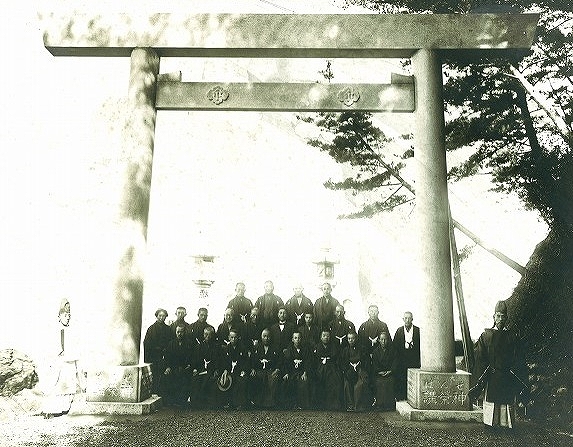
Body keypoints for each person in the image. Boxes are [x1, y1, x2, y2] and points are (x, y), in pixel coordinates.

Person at [471, 300, 526, 430]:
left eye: (503, 316)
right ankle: (491, 423)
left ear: (506, 318)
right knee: (492, 399)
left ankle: (505, 424)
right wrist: (483, 374)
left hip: (507, 375)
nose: (500, 319)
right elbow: (480, 357)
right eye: (498, 316)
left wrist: (513, 371)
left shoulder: (513, 336)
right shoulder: (486, 336)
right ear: (494, 317)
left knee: (506, 401)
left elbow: (518, 357)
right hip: (492, 375)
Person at [41, 299, 84, 418]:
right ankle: (51, 410)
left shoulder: (72, 331)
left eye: (69, 315)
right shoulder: (54, 330)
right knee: (56, 387)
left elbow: (76, 348)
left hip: (69, 362)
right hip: (58, 363)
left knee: (68, 387)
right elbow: (50, 348)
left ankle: (64, 409)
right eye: (65, 315)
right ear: (59, 316)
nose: (67, 317)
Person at [143, 308, 172, 395]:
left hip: (164, 356)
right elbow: (147, 343)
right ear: (156, 316)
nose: (161, 318)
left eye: (163, 316)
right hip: (153, 356)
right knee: (154, 376)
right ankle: (153, 394)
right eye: (160, 316)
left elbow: (170, 343)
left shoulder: (168, 329)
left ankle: (163, 397)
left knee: (163, 376)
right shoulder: (151, 329)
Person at [249, 329, 281, 408]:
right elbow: (252, 360)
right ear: (261, 337)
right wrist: (253, 369)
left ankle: (271, 403)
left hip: (271, 370)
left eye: (268, 336)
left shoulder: (275, 347)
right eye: (264, 336)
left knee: (274, 379)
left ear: (271, 337)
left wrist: (277, 369)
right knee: (257, 377)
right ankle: (257, 402)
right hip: (259, 370)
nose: (266, 338)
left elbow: (280, 360)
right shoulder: (257, 347)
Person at [393, 311, 421, 401]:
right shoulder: (399, 330)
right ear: (403, 319)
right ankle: (402, 397)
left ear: (412, 319)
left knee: (413, 378)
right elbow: (395, 345)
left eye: (409, 318)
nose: (407, 320)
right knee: (401, 377)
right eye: (405, 318)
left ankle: (413, 397)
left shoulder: (417, 330)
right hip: (402, 358)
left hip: (413, 358)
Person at [191, 326, 221, 409]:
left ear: (213, 336)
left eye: (210, 335)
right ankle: (197, 403)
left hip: (212, 370)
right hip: (201, 370)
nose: (207, 337)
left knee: (209, 379)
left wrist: (216, 369)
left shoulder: (217, 347)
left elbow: (218, 361)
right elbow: (194, 361)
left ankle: (209, 403)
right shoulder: (198, 347)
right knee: (196, 379)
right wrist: (195, 369)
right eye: (205, 334)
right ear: (203, 335)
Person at [163, 324, 193, 407]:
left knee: (185, 378)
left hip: (185, 367)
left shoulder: (189, 343)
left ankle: (182, 400)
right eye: (178, 332)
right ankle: (171, 400)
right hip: (173, 367)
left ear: (184, 332)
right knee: (168, 376)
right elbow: (167, 357)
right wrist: (168, 367)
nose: (180, 334)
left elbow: (192, 357)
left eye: (182, 332)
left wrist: (189, 365)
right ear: (175, 332)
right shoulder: (171, 343)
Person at [281, 331, 313, 409]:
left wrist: (305, 373)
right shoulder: (289, 350)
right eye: (295, 338)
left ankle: (302, 404)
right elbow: (286, 362)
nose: (297, 340)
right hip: (291, 372)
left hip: (301, 372)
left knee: (303, 381)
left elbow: (308, 362)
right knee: (288, 381)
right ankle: (290, 404)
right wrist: (286, 373)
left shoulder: (305, 349)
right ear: (292, 339)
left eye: (299, 338)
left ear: (301, 339)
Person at [219, 329, 249, 409]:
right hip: (230, 370)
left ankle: (240, 403)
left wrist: (243, 370)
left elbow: (246, 361)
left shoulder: (243, 348)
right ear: (228, 337)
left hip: (239, 371)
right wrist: (225, 370)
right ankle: (229, 402)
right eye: (231, 337)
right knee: (226, 380)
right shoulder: (226, 348)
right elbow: (224, 361)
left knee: (240, 380)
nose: (233, 339)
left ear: (238, 338)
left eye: (235, 337)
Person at [339, 331, 370, 412]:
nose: (351, 340)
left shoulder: (362, 349)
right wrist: (348, 369)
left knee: (360, 384)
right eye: (349, 339)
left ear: (356, 339)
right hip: (349, 370)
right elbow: (343, 363)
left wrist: (359, 367)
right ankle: (350, 405)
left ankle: (358, 406)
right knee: (346, 383)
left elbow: (366, 361)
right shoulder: (345, 350)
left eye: (352, 338)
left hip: (360, 370)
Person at [313, 329, 343, 410]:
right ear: (321, 337)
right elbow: (314, 360)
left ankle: (333, 405)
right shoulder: (317, 346)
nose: (326, 338)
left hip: (331, 367)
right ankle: (320, 405)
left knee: (335, 380)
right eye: (324, 336)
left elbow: (337, 359)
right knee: (318, 380)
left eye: (328, 336)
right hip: (320, 367)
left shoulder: (334, 346)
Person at [370, 331, 397, 411]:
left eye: (385, 339)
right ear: (378, 340)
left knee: (390, 381)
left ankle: (389, 405)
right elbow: (374, 365)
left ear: (388, 340)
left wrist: (390, 371)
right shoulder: (375, 352)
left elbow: (395, 362)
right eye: (381, 339)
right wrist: (379, 372)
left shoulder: (392, 350)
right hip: (379, 373)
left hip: (390, 373)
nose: (383, 341)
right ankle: (380, 405)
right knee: (379, 382)